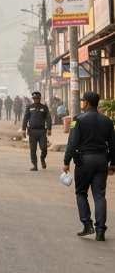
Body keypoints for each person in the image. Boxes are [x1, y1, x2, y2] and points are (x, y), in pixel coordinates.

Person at [63, 91, 114, 242]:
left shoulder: (77, 120)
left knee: (81, 193)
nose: (82, 103)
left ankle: (87, 224)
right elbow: (113, 144)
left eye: (83, 101)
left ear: (87, 103)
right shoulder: (107, 121)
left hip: (84, 161)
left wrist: (66, 161)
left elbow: (72, 143)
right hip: (101, 160)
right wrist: (113, 163)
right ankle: (100, 231)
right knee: (99, 195)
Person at [22, 91, 52, 171]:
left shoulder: (44, 107)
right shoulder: (29, 107)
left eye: (37, 98)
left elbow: (48, 118)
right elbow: (25, 118)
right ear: (33, 99)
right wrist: (23, 130)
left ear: (40, 98)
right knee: (33, 150)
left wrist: (49, 128)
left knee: (44, 148)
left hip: (42, 131)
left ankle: (42, 158)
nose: (36, 100)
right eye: (34, 98)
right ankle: (35, 165)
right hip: (32, 132)